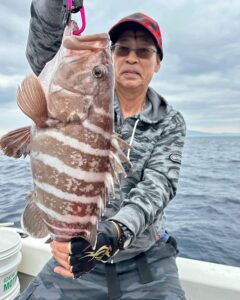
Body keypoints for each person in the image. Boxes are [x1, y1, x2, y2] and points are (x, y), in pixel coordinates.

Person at [17, 1, 186, 299]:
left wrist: (114, 233)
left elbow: (158, 186)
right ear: (111, 56)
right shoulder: (74, 92)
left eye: (144, 51)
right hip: (74, 257)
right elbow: (45, 47)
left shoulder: (169, 121)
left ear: (157, 62)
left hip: (146, 259)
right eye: (122, 50)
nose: (132, 58)